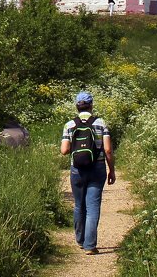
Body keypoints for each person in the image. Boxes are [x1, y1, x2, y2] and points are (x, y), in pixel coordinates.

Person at [61, 90, 115, 255]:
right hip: (97, 168)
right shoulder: (100, 123)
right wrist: (111, 170)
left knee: (79, 205)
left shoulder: (70, 124)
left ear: (77, 106)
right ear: (91, 105)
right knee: (92, 207)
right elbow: (107, 150)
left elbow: (64, 150)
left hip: (77, 169)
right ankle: (90, 246)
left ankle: (80, 239)